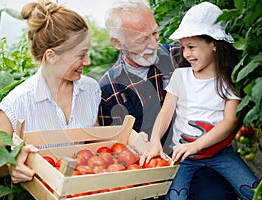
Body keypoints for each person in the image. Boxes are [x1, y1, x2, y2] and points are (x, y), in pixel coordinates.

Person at [98, 0, 240, 199]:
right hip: (149, 174)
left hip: (199, 163)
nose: (153, 44)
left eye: (155, 33)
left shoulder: (182, 56)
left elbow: (224, 90)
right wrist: (136, 143)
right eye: (141, 40)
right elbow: (114, 150)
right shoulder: (108, 89)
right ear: (117, 43)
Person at [140, 2, 259, 200]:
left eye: (192, 47)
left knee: (252, 192)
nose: (186, 54)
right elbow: (165, 113)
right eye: (183, 47)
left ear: (213, 43)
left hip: (220, 153)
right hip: (182, 155)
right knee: (176, 197)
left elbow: (229, 122)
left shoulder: (228, 80)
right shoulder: (181, 76)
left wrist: (196, 145)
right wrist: (155, 143)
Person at [0, 0, 101, 183]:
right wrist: (10, 166)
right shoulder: (17, 102)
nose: (87, 61)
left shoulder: (91, 89)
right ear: (51, 56)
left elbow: (93, 141)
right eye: (80, 55)